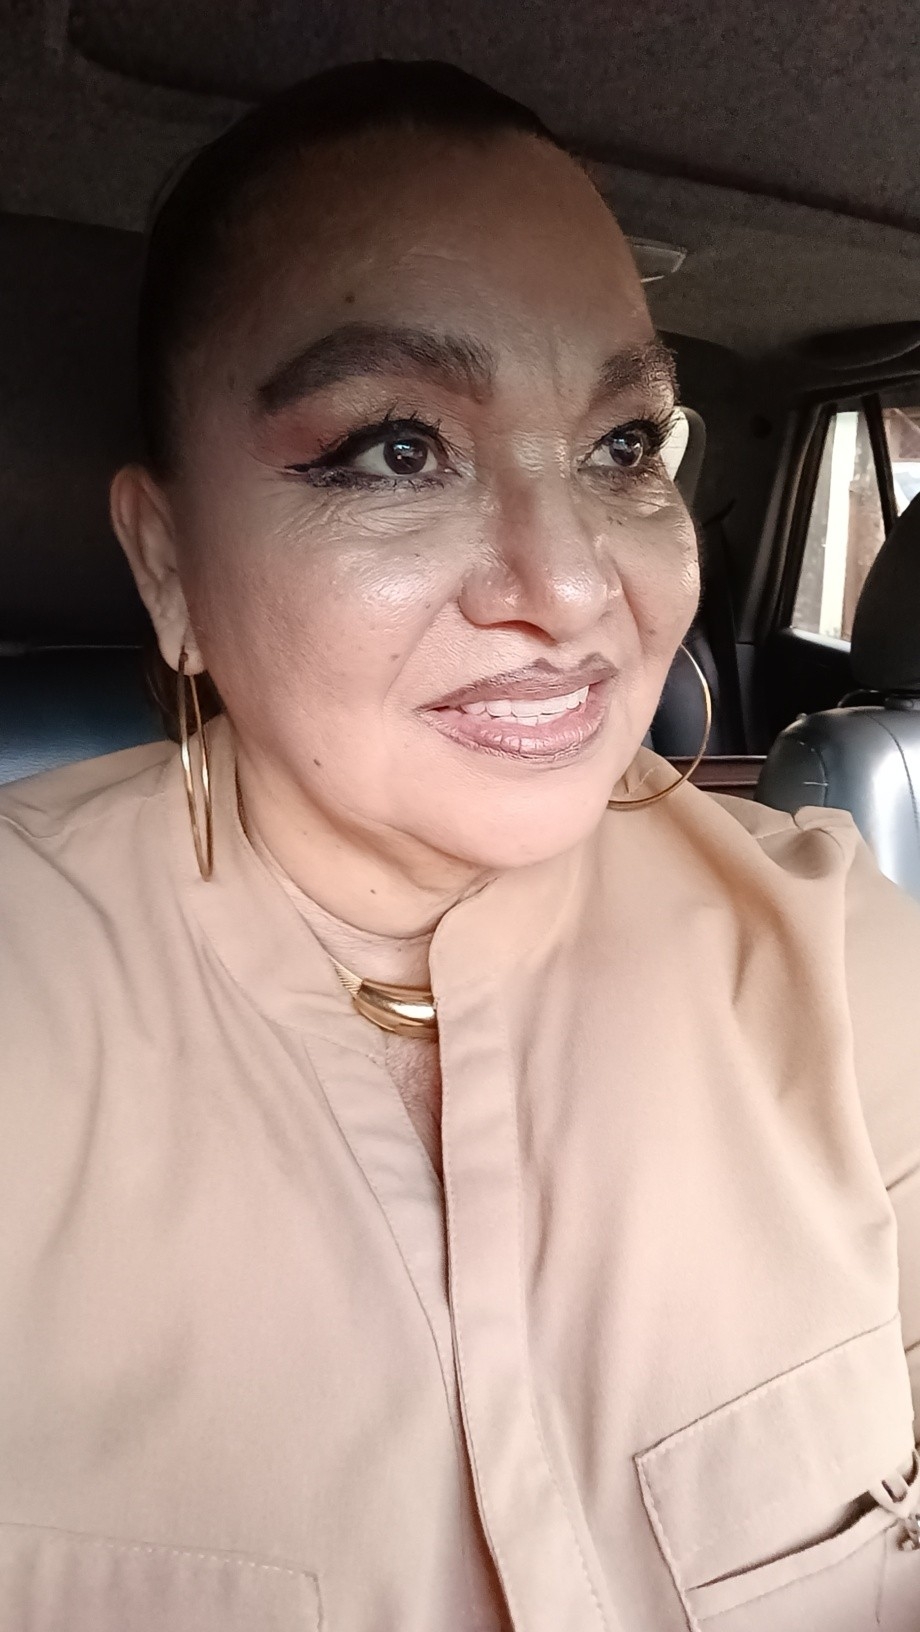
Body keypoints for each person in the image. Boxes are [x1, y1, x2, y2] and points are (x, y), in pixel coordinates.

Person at [0, 58, 919, 1632]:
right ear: (167, 563)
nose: (569, 589)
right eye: (395, 449)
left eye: (623, 448)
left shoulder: (838, 959)